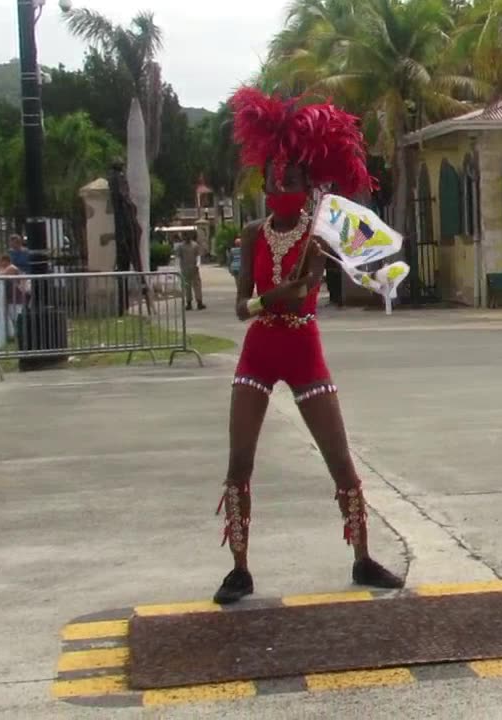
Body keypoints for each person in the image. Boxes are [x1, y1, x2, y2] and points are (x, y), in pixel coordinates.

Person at [213, 87, 401, 605]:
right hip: (259, 350)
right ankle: (240, 569)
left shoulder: (318, 235)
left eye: (291, 172)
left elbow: (303, 290)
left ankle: (363, 558)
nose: (281, 179)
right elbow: (240, 306)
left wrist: (274, 296)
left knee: (340, 460)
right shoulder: (253, 233)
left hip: (303, 346)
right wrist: (266, 299)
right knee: (239, 462)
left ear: (308, 178)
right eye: (275, 172)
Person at [175, 235, 206, 310]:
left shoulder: (194, 245)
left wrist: (198, 264)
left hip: (193, 268)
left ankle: (199, 302)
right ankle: (189, 302)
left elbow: (198, 256)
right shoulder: (181, 246)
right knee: (187, 286)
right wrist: (178, 268)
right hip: (185, 268)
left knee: (196, 285)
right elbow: (178, 257)